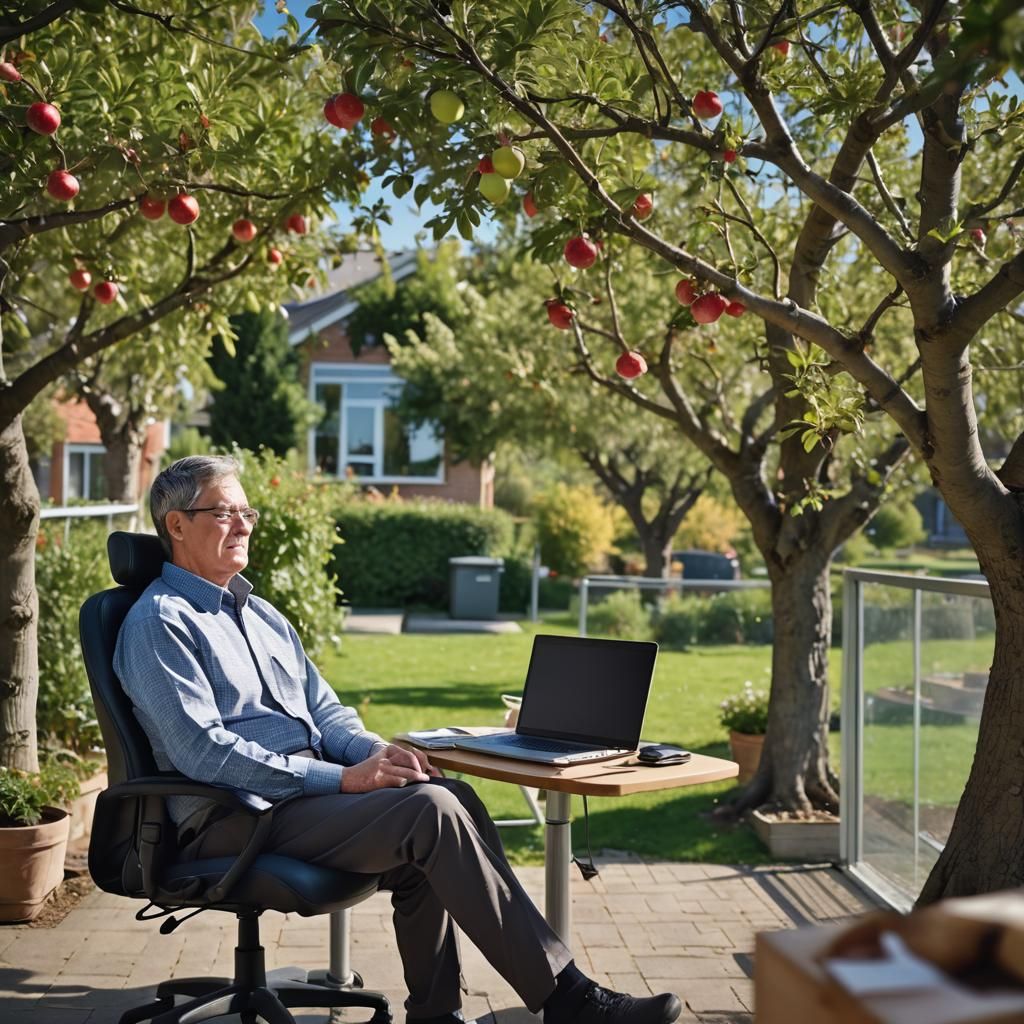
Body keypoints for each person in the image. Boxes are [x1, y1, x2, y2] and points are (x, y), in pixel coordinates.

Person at [115, 455, 683, 1024]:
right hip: (232, 817)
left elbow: (326, 712)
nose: (242, 525)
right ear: (177, 525)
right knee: (429, 813)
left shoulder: (261, 615)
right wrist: (344, 779)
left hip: (299, 804)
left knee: (449, 795)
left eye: (247, 512)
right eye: (224, 512)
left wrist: (376, 755)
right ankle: (570, 1000)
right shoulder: (159, 621)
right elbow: (203, 752)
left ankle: (437, 1015)